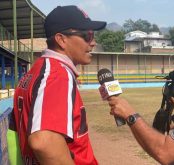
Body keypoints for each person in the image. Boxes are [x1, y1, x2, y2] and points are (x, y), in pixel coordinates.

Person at [13, 5, 106, 164]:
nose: (93, 42)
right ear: (61, 40)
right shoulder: (57, 75)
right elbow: (44, 141)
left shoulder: (38, 69)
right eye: (87, 35)